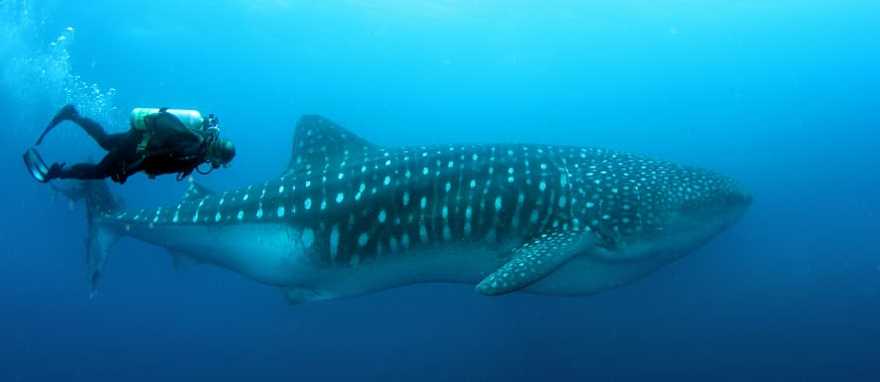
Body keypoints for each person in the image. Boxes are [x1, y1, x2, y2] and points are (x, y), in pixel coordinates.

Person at [23, 105, 236, 184]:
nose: (215, 165)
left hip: (139, 137)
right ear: (216, 155)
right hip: (136, 149)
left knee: (105, 140)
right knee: (99, 172)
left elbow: (161, 156)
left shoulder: (198, 146)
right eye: (218, 162)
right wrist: (127, 170)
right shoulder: (193, 147)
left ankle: (73, 115)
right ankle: (56, 174)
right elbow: (155, 156)